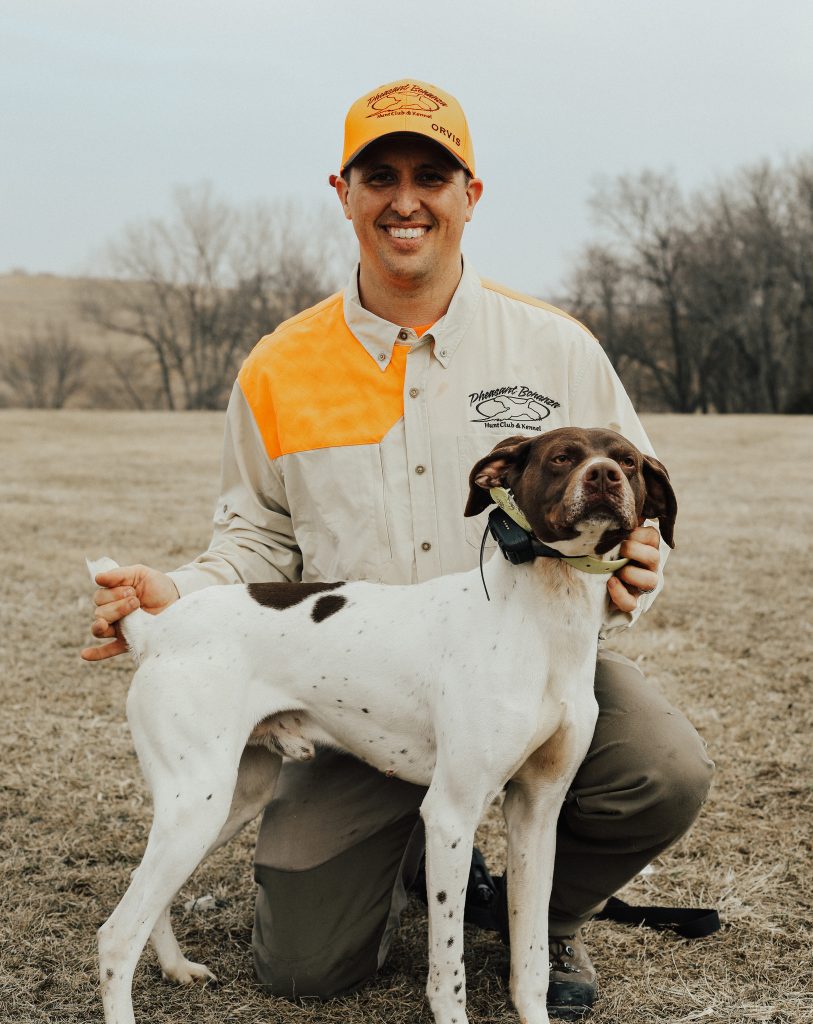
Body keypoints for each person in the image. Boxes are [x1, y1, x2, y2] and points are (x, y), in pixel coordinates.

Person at [83, 79, 713, 1017]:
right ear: (344, 193)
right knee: (303, 969)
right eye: (381, 176)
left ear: (471, 193)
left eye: (432, 174)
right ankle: (412, 848)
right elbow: (254, 535)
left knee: (663, 768)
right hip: (359, 684)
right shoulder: (278, 365)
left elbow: (634, 508)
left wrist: (639, 573)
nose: (406, 199)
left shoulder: (558, 347)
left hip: (530, 650)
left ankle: (549, 917)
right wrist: (169, 592)